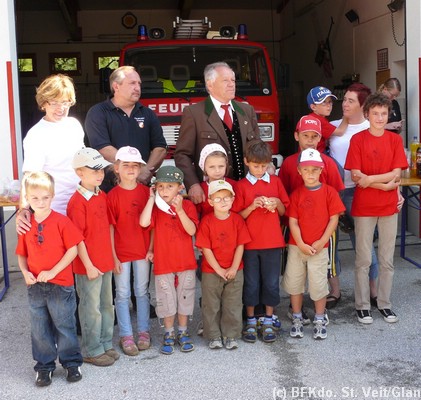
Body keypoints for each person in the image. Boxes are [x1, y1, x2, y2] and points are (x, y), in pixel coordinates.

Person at [344, 93, 408, 324]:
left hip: (389, 206)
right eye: (375, 113)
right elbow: (356, 176)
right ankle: (362, 306)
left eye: (383, 113)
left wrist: (371, 181)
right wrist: (382, 184)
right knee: (363, 259)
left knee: (386, 259)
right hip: (364, 207)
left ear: (388, 114)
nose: (380, 118)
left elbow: (396, 174)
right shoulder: (358, 140)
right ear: (367, 114)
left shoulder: (394, 141)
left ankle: (384, 304)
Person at [15, 172, 83, 387]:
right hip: (35, 285)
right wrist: (24, 272)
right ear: (27, 198)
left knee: (65, 325)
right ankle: (44, 366)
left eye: (45, 197)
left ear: (52, 196)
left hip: (60, 284)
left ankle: (71, 362)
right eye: (35, 198)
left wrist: (53, 271)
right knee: (39, 328)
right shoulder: (25, 225)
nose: (41, 202)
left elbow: (73, 250)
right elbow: (21, 253)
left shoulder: (61, 221)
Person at [278, 115, 345, 315]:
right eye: (305, 135)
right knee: (294, 264)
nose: (309, 140)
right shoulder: (290, 163)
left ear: (320, 138)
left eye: (314, 136)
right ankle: (295, 306)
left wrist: (331, 224)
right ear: (296, 136)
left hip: (323, 227)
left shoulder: (328, 163)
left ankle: (330, 296)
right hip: (295, 224)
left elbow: (336, 193)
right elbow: (283, 193)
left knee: (325, 263)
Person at [174, 61, 260, 204]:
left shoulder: (247, 110)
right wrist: (193, 185)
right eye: (225, 80)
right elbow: (182, 154)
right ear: (210, 85)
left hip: (246, 191)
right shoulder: (194, 113)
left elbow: (257, 148)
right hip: (214, 196)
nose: (232, 84)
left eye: (233, 80)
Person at [282, 149, 345, 340]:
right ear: (299, 171)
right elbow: (292, 221)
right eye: (306, 169)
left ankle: (319, 317)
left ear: (321, 170)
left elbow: (334, 219)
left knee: (318, 285)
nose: (310, 174)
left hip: (319, 247)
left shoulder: (329, 192)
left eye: (314, 170)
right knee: (295, 284)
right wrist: (300, 242)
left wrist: (322, 240)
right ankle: (297, 317)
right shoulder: (296, 194)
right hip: (297, 247)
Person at [232, 139, 289, 344]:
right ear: (247, 162)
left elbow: (284, 211)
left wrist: (277, 203)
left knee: (272, 283)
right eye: (256, 165)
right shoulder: (241, 186)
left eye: (264, 166)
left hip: (272, 243)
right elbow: (237, 216)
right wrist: (252, 207)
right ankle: (250, 319)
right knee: (251, 283)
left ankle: (267, 319)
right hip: (249, 245)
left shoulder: (275, 182)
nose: (259, 169)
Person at [329, 83, 380, 305]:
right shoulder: (331, 127)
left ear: (363, 106)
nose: (345, 104)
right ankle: (335, 290)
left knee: (364, 243)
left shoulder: (372, 128)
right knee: (331, 245)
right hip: (331, 193)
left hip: (358, 193)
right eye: (345, 99)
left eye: (351, 100)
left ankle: (374, 292)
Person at [67, 148, 118, 367]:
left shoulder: (102, 195)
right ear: (79, 172)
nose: (100, 174)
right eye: (94, 169)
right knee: (91, 308)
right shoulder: (76, 202)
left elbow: (108, 227)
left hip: (105, 260)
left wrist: (113, 257)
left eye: (102, 169)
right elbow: (77, 239)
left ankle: (105, 343)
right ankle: (91, 348)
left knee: (107, 305)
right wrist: (88, 265)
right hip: (88, 265)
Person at [139, 166, 198, 355]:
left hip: (185, 262)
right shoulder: (156, 207)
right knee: (166, 299)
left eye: (169, 186)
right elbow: (144, 223)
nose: (164, 191)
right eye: (160, 186)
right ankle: (169, 333)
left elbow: (191, 231)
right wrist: (150, 198)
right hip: (164, 263)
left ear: (180, 188)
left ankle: (182, 331)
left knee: (185, 297)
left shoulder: (187, 206)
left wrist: (180, 210)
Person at [16, 74, 85, 232]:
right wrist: (24, 209)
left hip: (80, 204)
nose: (60, 108)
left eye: (65, 102)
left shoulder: (74, 126)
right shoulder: (36, 135)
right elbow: (30, 176)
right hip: (54, 209)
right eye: (54, 103)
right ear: (44, 103)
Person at [85, 65, 167, 189]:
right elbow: (102, 148)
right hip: (109, 188)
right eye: (132, 83)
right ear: (116, 86)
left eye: (139, 84)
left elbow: (160, 148)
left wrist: (146, 171)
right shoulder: (98, 112)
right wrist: (133, 170)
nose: (137, 88)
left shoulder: (148, 113)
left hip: (142, 188)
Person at [107, 146, 153, 356]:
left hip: (143, 251)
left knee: (142, 292)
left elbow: (153, 225)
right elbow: (110, 228)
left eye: (135, 165)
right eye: (126, 165)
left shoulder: (146, 193)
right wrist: (113, 256)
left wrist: (151, 248)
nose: (131, 169)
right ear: (116, 168)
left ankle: (143, 331)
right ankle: (126, 334)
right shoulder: (112, 196)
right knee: (123, 293)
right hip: (121, 253)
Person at [195, 180, 251, 350]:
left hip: (235, 270)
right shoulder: (206, 221)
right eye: (218, 198)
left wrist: (234, 267)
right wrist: (218, 269)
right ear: (210, 201)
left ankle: (231, 335)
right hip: (211, 271)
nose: (223, 201)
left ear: (232, 199)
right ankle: (213, 335)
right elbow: (206, 248)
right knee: (211, 304)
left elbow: (240, 245)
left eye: (226, 197)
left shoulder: (237, 220)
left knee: (232, 304)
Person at [196, 143, 237, 217]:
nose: (217, 170)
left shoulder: (234, 185)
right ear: (204, 167)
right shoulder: (201, 189)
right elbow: (198, 213)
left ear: (226, 165)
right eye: (212, 167)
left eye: (221, 166)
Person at [306, 86, 348, 154]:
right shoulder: (318, 120)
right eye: (324, 102)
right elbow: (340, 132)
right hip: (317, 157)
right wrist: (346, 117)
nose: (328, 105)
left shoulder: (312, 117)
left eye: (330, 102)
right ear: (313, 107)